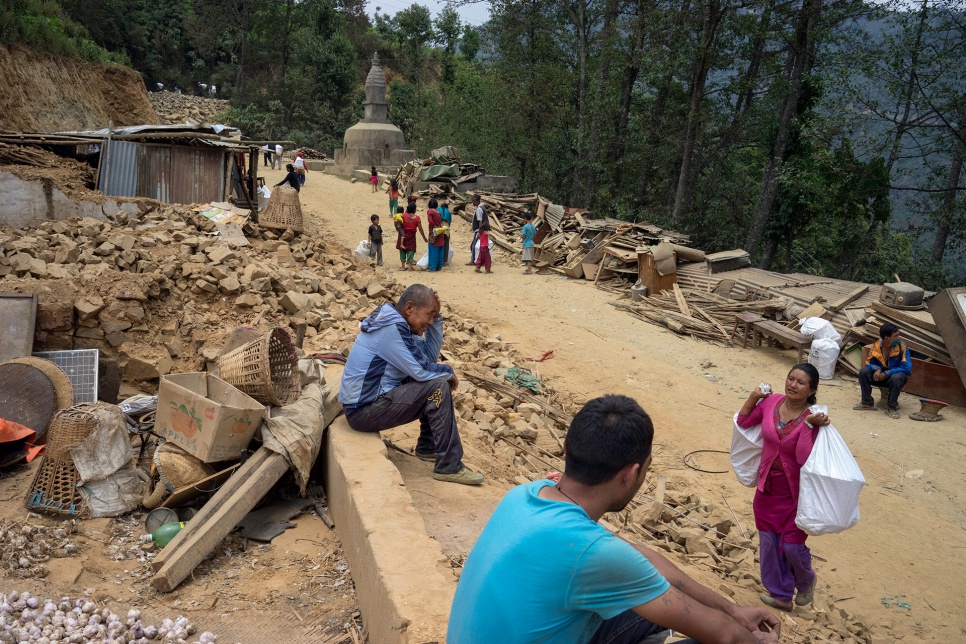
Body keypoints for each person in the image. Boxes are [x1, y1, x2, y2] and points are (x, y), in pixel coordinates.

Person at [449, 395, 781, 644]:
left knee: (645, 610)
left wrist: (732, 610)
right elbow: (725, 635)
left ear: (566, 449)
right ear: (632, 474)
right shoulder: (593, 554)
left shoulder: (529, 494)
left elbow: (643, 558)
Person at [339, 284, 484, 486]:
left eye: (435, 316)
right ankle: (449, 466)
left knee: (432, 382)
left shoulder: (397, 323)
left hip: (366, 405)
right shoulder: (391, 328)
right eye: (430, 315)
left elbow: (428, 358)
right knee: (437, 387)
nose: (430, 321)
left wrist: (437, 318)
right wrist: (449, 373)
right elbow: (422, 370)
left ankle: (428, 447)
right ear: (409, 308)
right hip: (362, 411)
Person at [736, 364, 829, 612]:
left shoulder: (815, 417)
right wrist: (755, 396)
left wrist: (808, 425)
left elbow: (801, 457)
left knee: (790, 546)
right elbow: (744, 421)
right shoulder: (772, 403)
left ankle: (806, 581)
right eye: (791, 379)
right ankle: (781, 595)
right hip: (768, 489)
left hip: (796, 495)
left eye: (801, 382)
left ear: (811, 390)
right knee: (768, 543)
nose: (793, 385)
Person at [853, 323, 911, 419]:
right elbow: (869, 362)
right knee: (863, 371)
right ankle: (867, 402)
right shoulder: (876, 346)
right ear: (886, 338)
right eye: (895, 336)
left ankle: (892, 407)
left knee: (897, 377)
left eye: (898, 335)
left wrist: (887, 373)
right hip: (879, 377)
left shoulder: (902, 346)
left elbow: (906, 368)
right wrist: (877, 369)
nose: (898, 338)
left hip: (895, 379)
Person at [397, 202, 427, 271]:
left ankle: (403, 266)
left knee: (402, 250)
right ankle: (410, 267)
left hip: (403, 235)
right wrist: (424, 237)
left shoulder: (403, 216)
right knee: (411, 250)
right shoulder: (417, 218)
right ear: (414, 210)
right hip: (411, 236)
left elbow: (398, 224)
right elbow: (420, 229)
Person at [466, 194, 488, 265]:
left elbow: (480, 221)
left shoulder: (479, 209)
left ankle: (474, 261)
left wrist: (479, 232)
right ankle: (479, 260)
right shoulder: (482, 207)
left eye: (473, 201)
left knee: (473, 246)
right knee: (478, 246)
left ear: (476, 200)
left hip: (479, 230)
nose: (472, 203)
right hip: (483, 230)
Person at [426, 198, 446, 272]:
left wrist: (434, 227)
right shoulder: (438, 212)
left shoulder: (430, 211)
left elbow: (430, 221)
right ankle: (439, 266)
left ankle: (432, 267)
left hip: (434, 232)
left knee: (433, 250)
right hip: (440, 231)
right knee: (440, 249)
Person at [439, 199, 452, 266]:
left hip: (439, 229)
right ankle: (445, 261)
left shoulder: (438, 210)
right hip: (446, 230)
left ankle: (439, 260)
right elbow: (449, 223)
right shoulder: (449, 212)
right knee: (446, 245)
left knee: (439, 244)